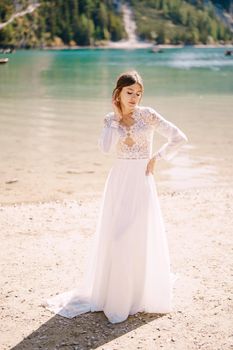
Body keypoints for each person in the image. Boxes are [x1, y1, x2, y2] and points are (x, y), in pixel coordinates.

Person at [43, 70, 188, 324]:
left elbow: (179, 137)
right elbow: (106, 148)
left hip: (142, 181)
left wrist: (157, 158)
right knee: (117, 236)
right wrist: (116, 119)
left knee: (136, 235)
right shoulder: (110, 120)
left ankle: (135, 296)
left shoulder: (148, 115)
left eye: (138, 93)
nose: (134, 98)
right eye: (129, 92)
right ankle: (115, 296)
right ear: (118, 93)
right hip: (119, 182)